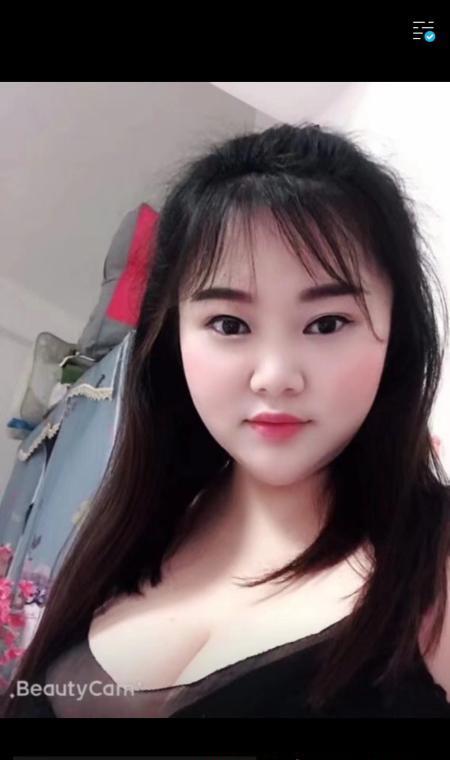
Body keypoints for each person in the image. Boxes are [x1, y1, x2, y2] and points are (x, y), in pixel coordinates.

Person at [2, 122, 450, 718]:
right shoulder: (136, 526)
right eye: (229, 325)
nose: (275, 376)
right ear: (174, 337)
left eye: (326, 323)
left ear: (396, 334)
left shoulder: (434, 557)